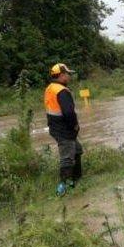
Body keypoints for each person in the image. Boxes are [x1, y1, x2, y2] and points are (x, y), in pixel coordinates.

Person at [44, 63, 82, 197]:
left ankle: (76, 179)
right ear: (61, 75)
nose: (69, 76)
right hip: (64, 129)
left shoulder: (50, 88)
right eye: (67, 74)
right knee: (67, 158)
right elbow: (68, 113)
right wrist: (75, 125)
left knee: (77, 150)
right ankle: (62, 187)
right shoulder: (62, 91)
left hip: (55, 127)